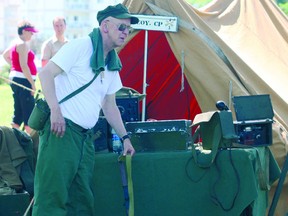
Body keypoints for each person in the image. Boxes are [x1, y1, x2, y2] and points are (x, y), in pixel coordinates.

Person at [32, 3, 138, 215]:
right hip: (61, 132)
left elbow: (110, 106)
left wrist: (125, 137)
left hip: (85, 139)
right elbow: (45, 74)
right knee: (51, 199)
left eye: (129, 29)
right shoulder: (81, 46)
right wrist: (55, 111)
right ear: (106, 25)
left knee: (82, 201)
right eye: (122, 27)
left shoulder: (111, 63)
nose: (126, 33)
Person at [2, 20, 38, 134]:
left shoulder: (15, 43)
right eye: (30, 32)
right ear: (24, 31)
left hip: (17, 79)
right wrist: (32, 83)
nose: (32, 35)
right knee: (28, 111)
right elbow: (24, 65)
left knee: (18, 112)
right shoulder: (22, 45)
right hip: (23, 81)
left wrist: (14, 67)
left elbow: (5, 55)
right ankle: (30, 142)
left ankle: (13, 139)